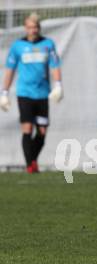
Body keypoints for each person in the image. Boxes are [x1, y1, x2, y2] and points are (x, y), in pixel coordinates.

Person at [1, 12, 63, 173]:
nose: (33, 30)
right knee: (27, 129)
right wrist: (4, 93)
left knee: (42, 131)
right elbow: (10, 70)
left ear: (39, 28)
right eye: (29, 27)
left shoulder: (48, 44)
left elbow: (55, 65)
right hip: (25, 94)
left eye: (35, 27)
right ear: (25, 28)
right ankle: (31, 165)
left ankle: (32, 160)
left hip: (43, 95)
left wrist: (58, 85)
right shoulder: (17, 46)